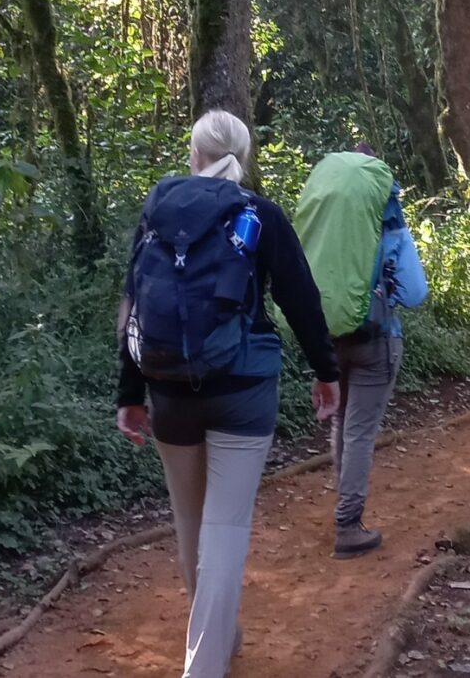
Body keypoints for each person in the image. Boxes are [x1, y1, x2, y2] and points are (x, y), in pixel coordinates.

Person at [116, 110, 340, 678]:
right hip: (244, 386)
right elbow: (301, 299)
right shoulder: (258, 214)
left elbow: (134, 303)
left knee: (190, 522)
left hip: (168, 388)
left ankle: (217, 635)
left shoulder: (157, 211)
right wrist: (326, 371)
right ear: (245, 154)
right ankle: (205, 665)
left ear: (194, 154)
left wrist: (130, 392)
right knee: (225, 526)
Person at [293, 143, 429, 558]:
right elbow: (415, 291)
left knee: (341, 426)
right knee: (358, 432)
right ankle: (348, 525)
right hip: (376, 339)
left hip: (330, 341)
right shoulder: (387, 229)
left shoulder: (322, 231)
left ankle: (344, 508)